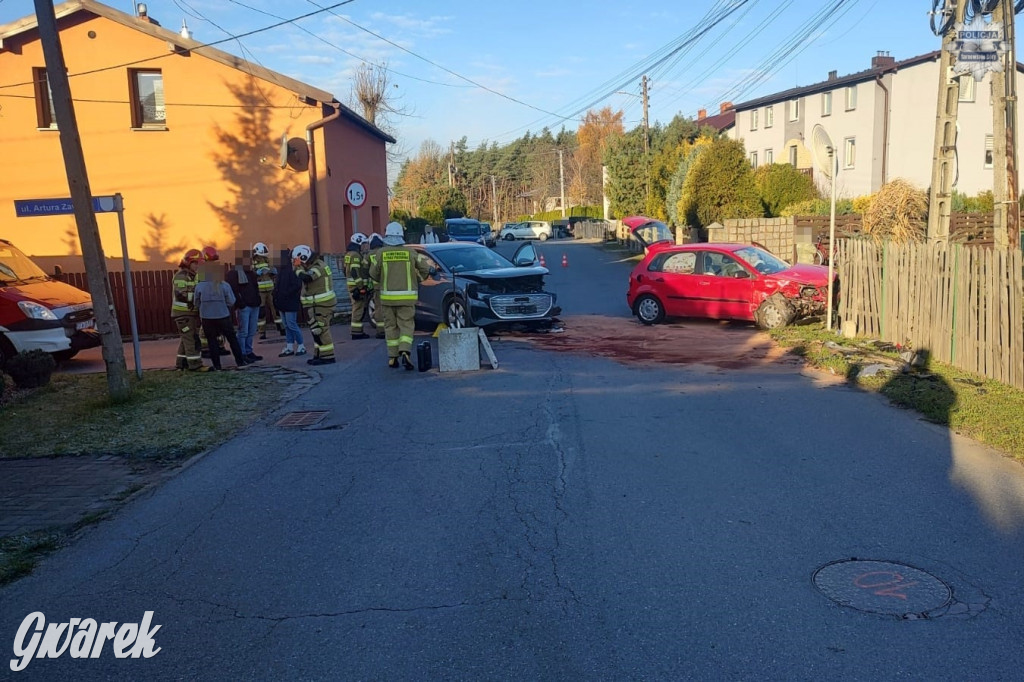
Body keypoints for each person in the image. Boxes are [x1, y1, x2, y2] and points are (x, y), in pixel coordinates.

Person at [368, 221, 431, 370]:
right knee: (406, 326)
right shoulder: (410, 252)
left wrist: (383, 280)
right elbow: (425, 268)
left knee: (390, 327)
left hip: (387, 298)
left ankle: (392, 357)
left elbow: (373, 274)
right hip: (407, 298)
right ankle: (405, 351)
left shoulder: (380, 253)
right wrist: (419, 280)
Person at [194, 262, 248, 370]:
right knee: (232, 339)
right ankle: (240, 362)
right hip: (223, 316)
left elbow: (196, 303)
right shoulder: (224, 285)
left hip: (207, 318)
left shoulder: (199, 286)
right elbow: (232, 301)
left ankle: (217, 366)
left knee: (211, 341)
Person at [293, 244, 337, 366]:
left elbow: (307, 278)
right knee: (316, 331)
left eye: (299, 261)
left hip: (322, 305)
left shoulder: (318, 266)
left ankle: (328, 356)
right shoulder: (315, 265)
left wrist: (297, 269)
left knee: (321, 330)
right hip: (318, 305)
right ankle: (319, 354)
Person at [171, 248, 207, 372]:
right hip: (183, 315)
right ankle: (195, 365)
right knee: (191, 339)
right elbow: (181, 294)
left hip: (189, 314)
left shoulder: (193, 276)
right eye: (195, 263)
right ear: (188, 262)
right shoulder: (181, 276)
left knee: (185, 339)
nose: (197, 266)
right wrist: (198, 297)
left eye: (199, 264)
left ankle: (181, 364)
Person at [226, 252, 263, 364]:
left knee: (251, 331)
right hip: (244, 307)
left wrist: (258, 300)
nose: (251, 262)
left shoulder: (251, 273)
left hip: (254, 305)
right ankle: (241, 353)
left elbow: (255, 287)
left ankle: (248, 351)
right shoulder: (233, 273)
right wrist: (241, 304)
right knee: (243, 332)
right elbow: (233, 291)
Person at [274, 248, 306, 357]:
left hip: (290, 301)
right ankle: (289, 346)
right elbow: (277, 286)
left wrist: (285, 294)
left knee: (291, 324)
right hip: (282, 302)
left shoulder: (294, 268)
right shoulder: (281, 270)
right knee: (287, 325)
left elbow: (297, 285)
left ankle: (301, 345)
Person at [252, 241, 283, 339]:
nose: (263, 257)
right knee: (261, 312)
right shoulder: (252, 262)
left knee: (276, 309)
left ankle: (281, 328)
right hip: (260, 291)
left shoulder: (267, 260)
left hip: (270, 289)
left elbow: (273, 271)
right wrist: (257, 273)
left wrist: (273, 272)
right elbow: (251, 275)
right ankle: (262, 332)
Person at [344, 233, 370, 340]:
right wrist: (360, 287)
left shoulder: (348, 254)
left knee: (357, 308)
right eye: (363, 244)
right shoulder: (355, 255)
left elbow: (345, 271)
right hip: (356, 287)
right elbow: (354, 271)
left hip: (352, 285)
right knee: (358, 308)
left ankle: (357, 331)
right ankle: (356, 333)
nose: (364, 246)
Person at [365, 232, 386, 339]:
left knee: (378, 308)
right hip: (388, 284)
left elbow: (364, 269)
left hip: (376, 286)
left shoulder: (369, 255)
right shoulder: (384, 252)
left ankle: (381, 331)